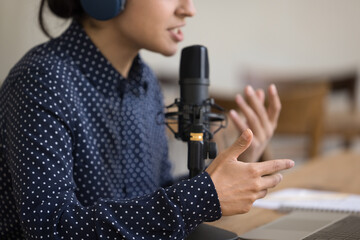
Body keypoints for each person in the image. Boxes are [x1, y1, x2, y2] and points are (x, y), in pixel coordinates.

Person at [0, 0, 294, 239]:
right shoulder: (41, 81)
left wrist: (227, 173)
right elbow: (51, 228)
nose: (189, 9)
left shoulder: (146, 83)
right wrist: (201, 196)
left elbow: (154, 194)